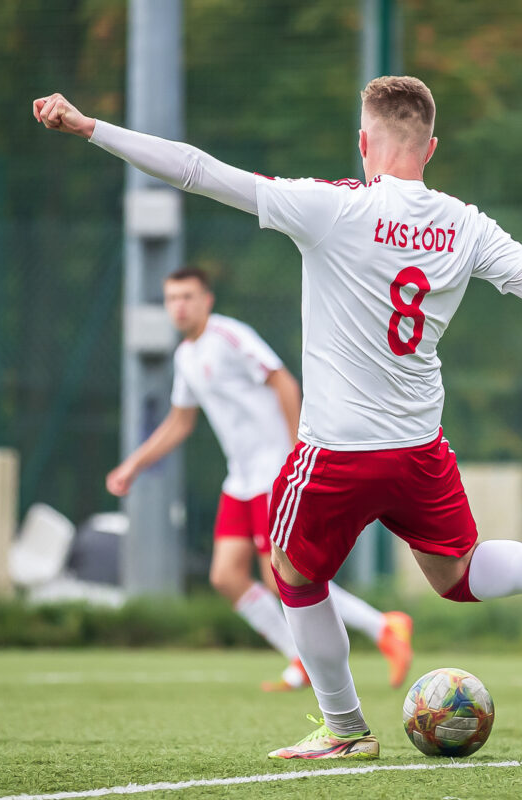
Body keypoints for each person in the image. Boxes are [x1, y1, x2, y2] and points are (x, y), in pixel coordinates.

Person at [34, 74, 522, 761]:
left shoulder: (332, 207)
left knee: (292, 574)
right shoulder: (466, 224)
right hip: (420, 449)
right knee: (457, 574)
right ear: (432, 146)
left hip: (337, 449)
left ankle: (346, 727)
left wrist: (92, 127)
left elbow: (198, 170)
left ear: (365, 142)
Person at [105, 266, 415, 692]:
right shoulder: (186, 356)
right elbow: (180, 422)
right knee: (226, 576)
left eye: (187, 297)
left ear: (207, 300)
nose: (179, 306)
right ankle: (300, 657)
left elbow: (283, 382)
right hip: (241, 478)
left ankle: (384, 627)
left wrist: (296, 452)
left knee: (281, 576)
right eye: (172, 298)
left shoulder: (229, 336)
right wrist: (133, 465)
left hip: (273, 471)